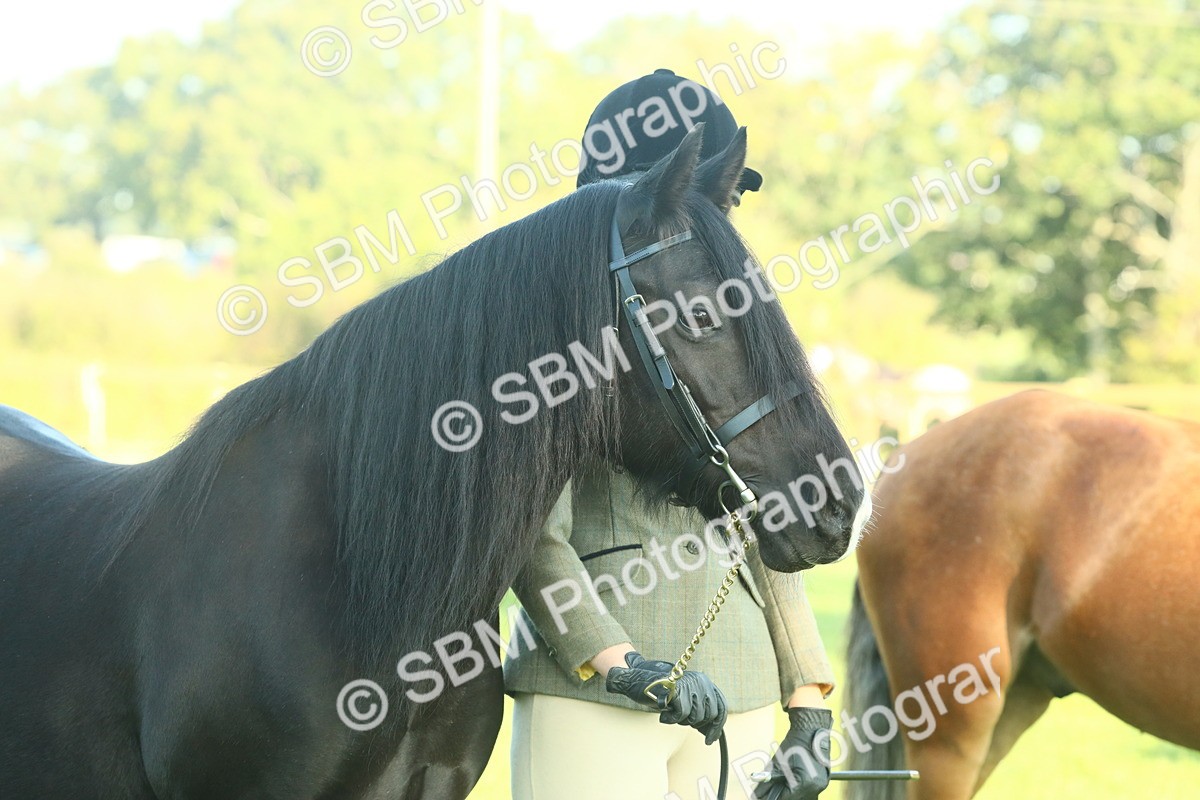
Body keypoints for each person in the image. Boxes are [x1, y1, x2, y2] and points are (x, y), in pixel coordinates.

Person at [504, 69, 835, 800]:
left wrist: (809, 701)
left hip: (742, 683)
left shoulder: (723, 326)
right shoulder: (556, 336)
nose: (730, 208)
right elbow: (533, 534)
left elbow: (763, 506)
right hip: (594, 688)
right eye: (719, 190)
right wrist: (617, 659)